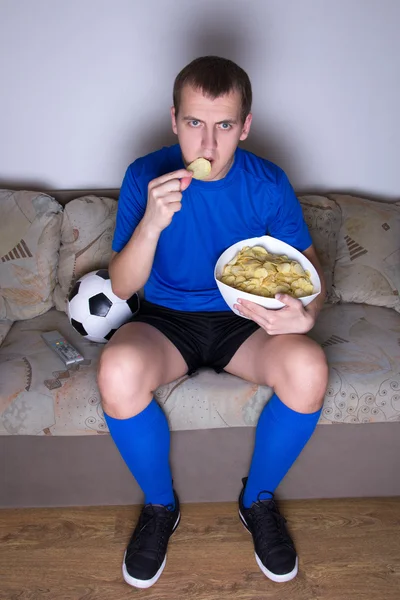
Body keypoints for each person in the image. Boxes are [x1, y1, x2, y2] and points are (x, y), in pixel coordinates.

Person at [98, 55, 328, 589]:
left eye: (224, 126)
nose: (207, 145)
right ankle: (160, 507)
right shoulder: (144, 175)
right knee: (116, 372)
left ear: (245, 126)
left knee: (310, 368)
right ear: (173, 119)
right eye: (194, 124)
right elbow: (123, 286)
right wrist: (152, 224)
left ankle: (258, 500)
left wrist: (305, 314)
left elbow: (311, 268)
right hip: (166, 322)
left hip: (244, 320)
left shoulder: (268, 183)